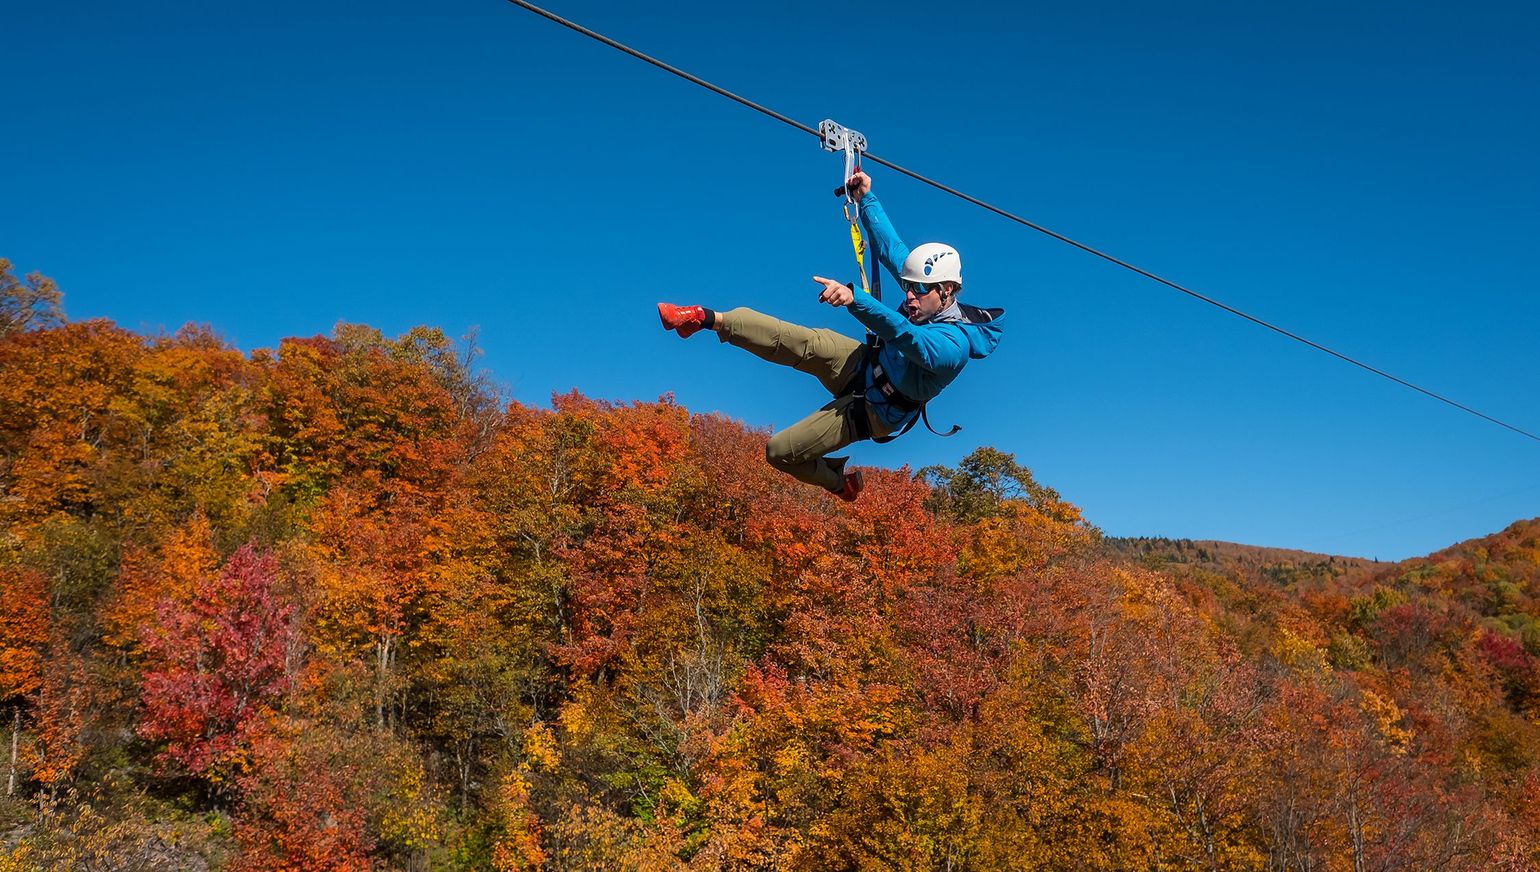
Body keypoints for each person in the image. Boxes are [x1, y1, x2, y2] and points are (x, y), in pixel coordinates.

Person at [656, 170, 1004, 502]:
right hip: (864, 365)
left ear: (945, 290)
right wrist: (866, 198)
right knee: (798, 340)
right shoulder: (924, 295)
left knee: (779, 451)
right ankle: (703, 318)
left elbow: (906, 337)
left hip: (873, 412)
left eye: (918, 291)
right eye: (908, 287)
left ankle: (839, 482)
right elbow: (890, 248)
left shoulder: (954, 345)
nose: (909, 296)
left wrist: (856, 299)